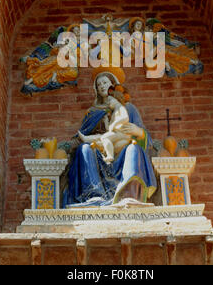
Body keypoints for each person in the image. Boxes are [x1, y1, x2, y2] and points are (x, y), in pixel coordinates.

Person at [62, 68, 157, 208]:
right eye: (98, 85)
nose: (102, 86)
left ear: (112, 85)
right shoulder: (93, 112)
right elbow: (82, 135)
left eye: (105, 82)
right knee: (84, 148)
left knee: (134, 149)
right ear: (95, 90)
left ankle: (129, 194)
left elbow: (146, 138)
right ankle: (94, 195)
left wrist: (139, 132)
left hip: (122, 151)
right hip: (100, 154)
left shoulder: (128, 108)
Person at [78, 91, 132, 164]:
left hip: (122, 133)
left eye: (110, 100)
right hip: (116, 133)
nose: (109, 103)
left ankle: (110, 155)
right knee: (101, 136)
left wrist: (115, 123)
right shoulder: (115, 111)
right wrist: (106, 121)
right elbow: (108, 130)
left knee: (104, 138)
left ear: (116, 99)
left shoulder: (120, 107)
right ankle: (86, 139)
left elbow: (125, 118)